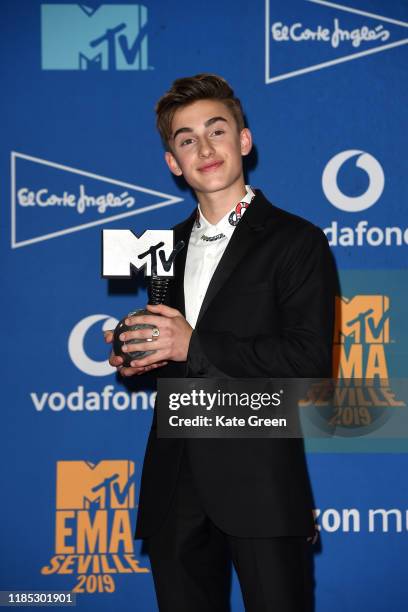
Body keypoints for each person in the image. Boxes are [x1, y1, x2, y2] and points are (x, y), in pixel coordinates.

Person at [105, 73, 335, 611]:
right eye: (186, 139)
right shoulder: (165, 246)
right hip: (173, 485)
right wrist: (135, 353)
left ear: (244, 141)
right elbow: (175, 352)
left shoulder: (296, 239)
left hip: (261, 483)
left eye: (217, 131)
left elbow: (307, 360)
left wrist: (192, 345)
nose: (204, 148)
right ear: (172, 162)